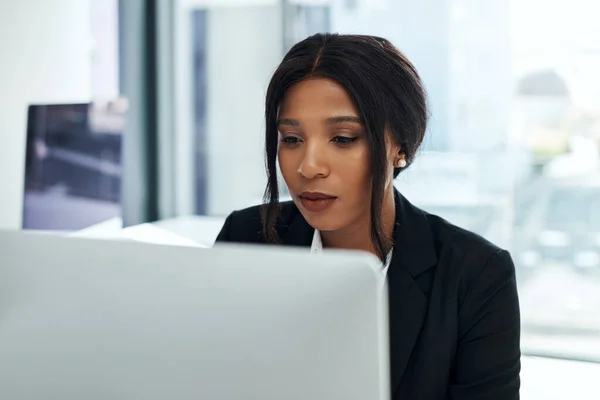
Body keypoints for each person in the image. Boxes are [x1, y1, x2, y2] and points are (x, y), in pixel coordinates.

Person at [215, 33, 520, 399]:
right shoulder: (246, 237)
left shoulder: (475, 275)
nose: (309, 167)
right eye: (292, 139)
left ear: (401, 148)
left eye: (343, 139)